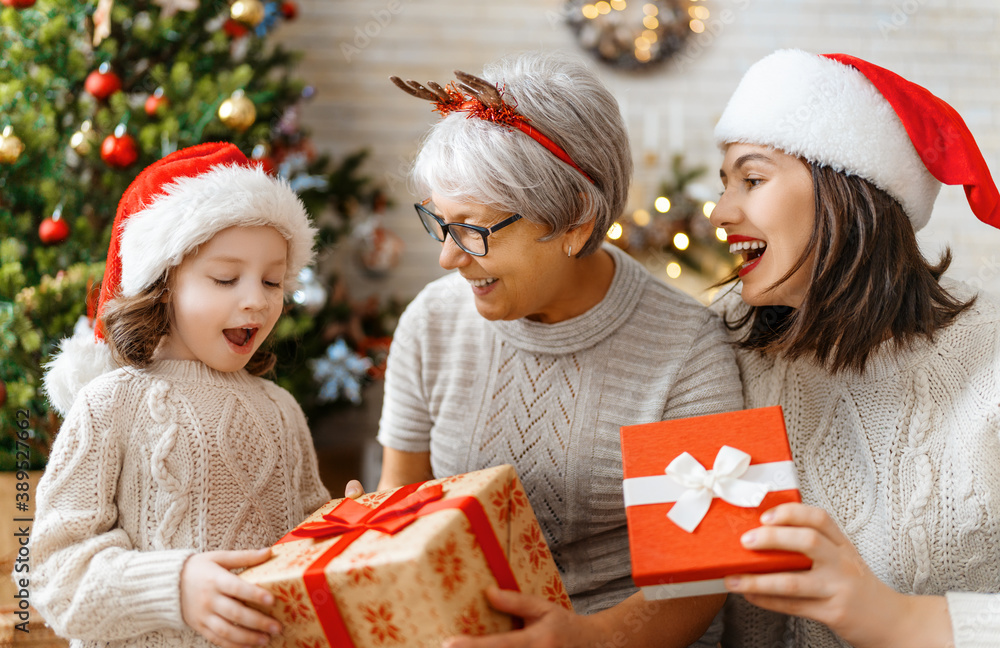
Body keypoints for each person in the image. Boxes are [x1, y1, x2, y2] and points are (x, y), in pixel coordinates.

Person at [366, 52, 744, 648]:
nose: (448, 257)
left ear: (572, 219)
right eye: (439, 222)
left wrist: (588, 639)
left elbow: (702, 573)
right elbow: (400, 503)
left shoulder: (686, 351)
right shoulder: (432, 323)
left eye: (473, 229)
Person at [708, 49, 1000, 647]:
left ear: (847, 191)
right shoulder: (712, 346)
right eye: (725, 183)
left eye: (753, 179)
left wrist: (899, 622)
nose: (720, 212)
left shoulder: (990, 359)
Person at [33, 142, 331, 648]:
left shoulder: (282, 411)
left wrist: (344, 531)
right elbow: (54, 577)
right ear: (162, 282)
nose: (256, 299)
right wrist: (174, 587)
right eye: (225, 278)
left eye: (273, 280)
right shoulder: (109, 405)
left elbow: (306, 551)